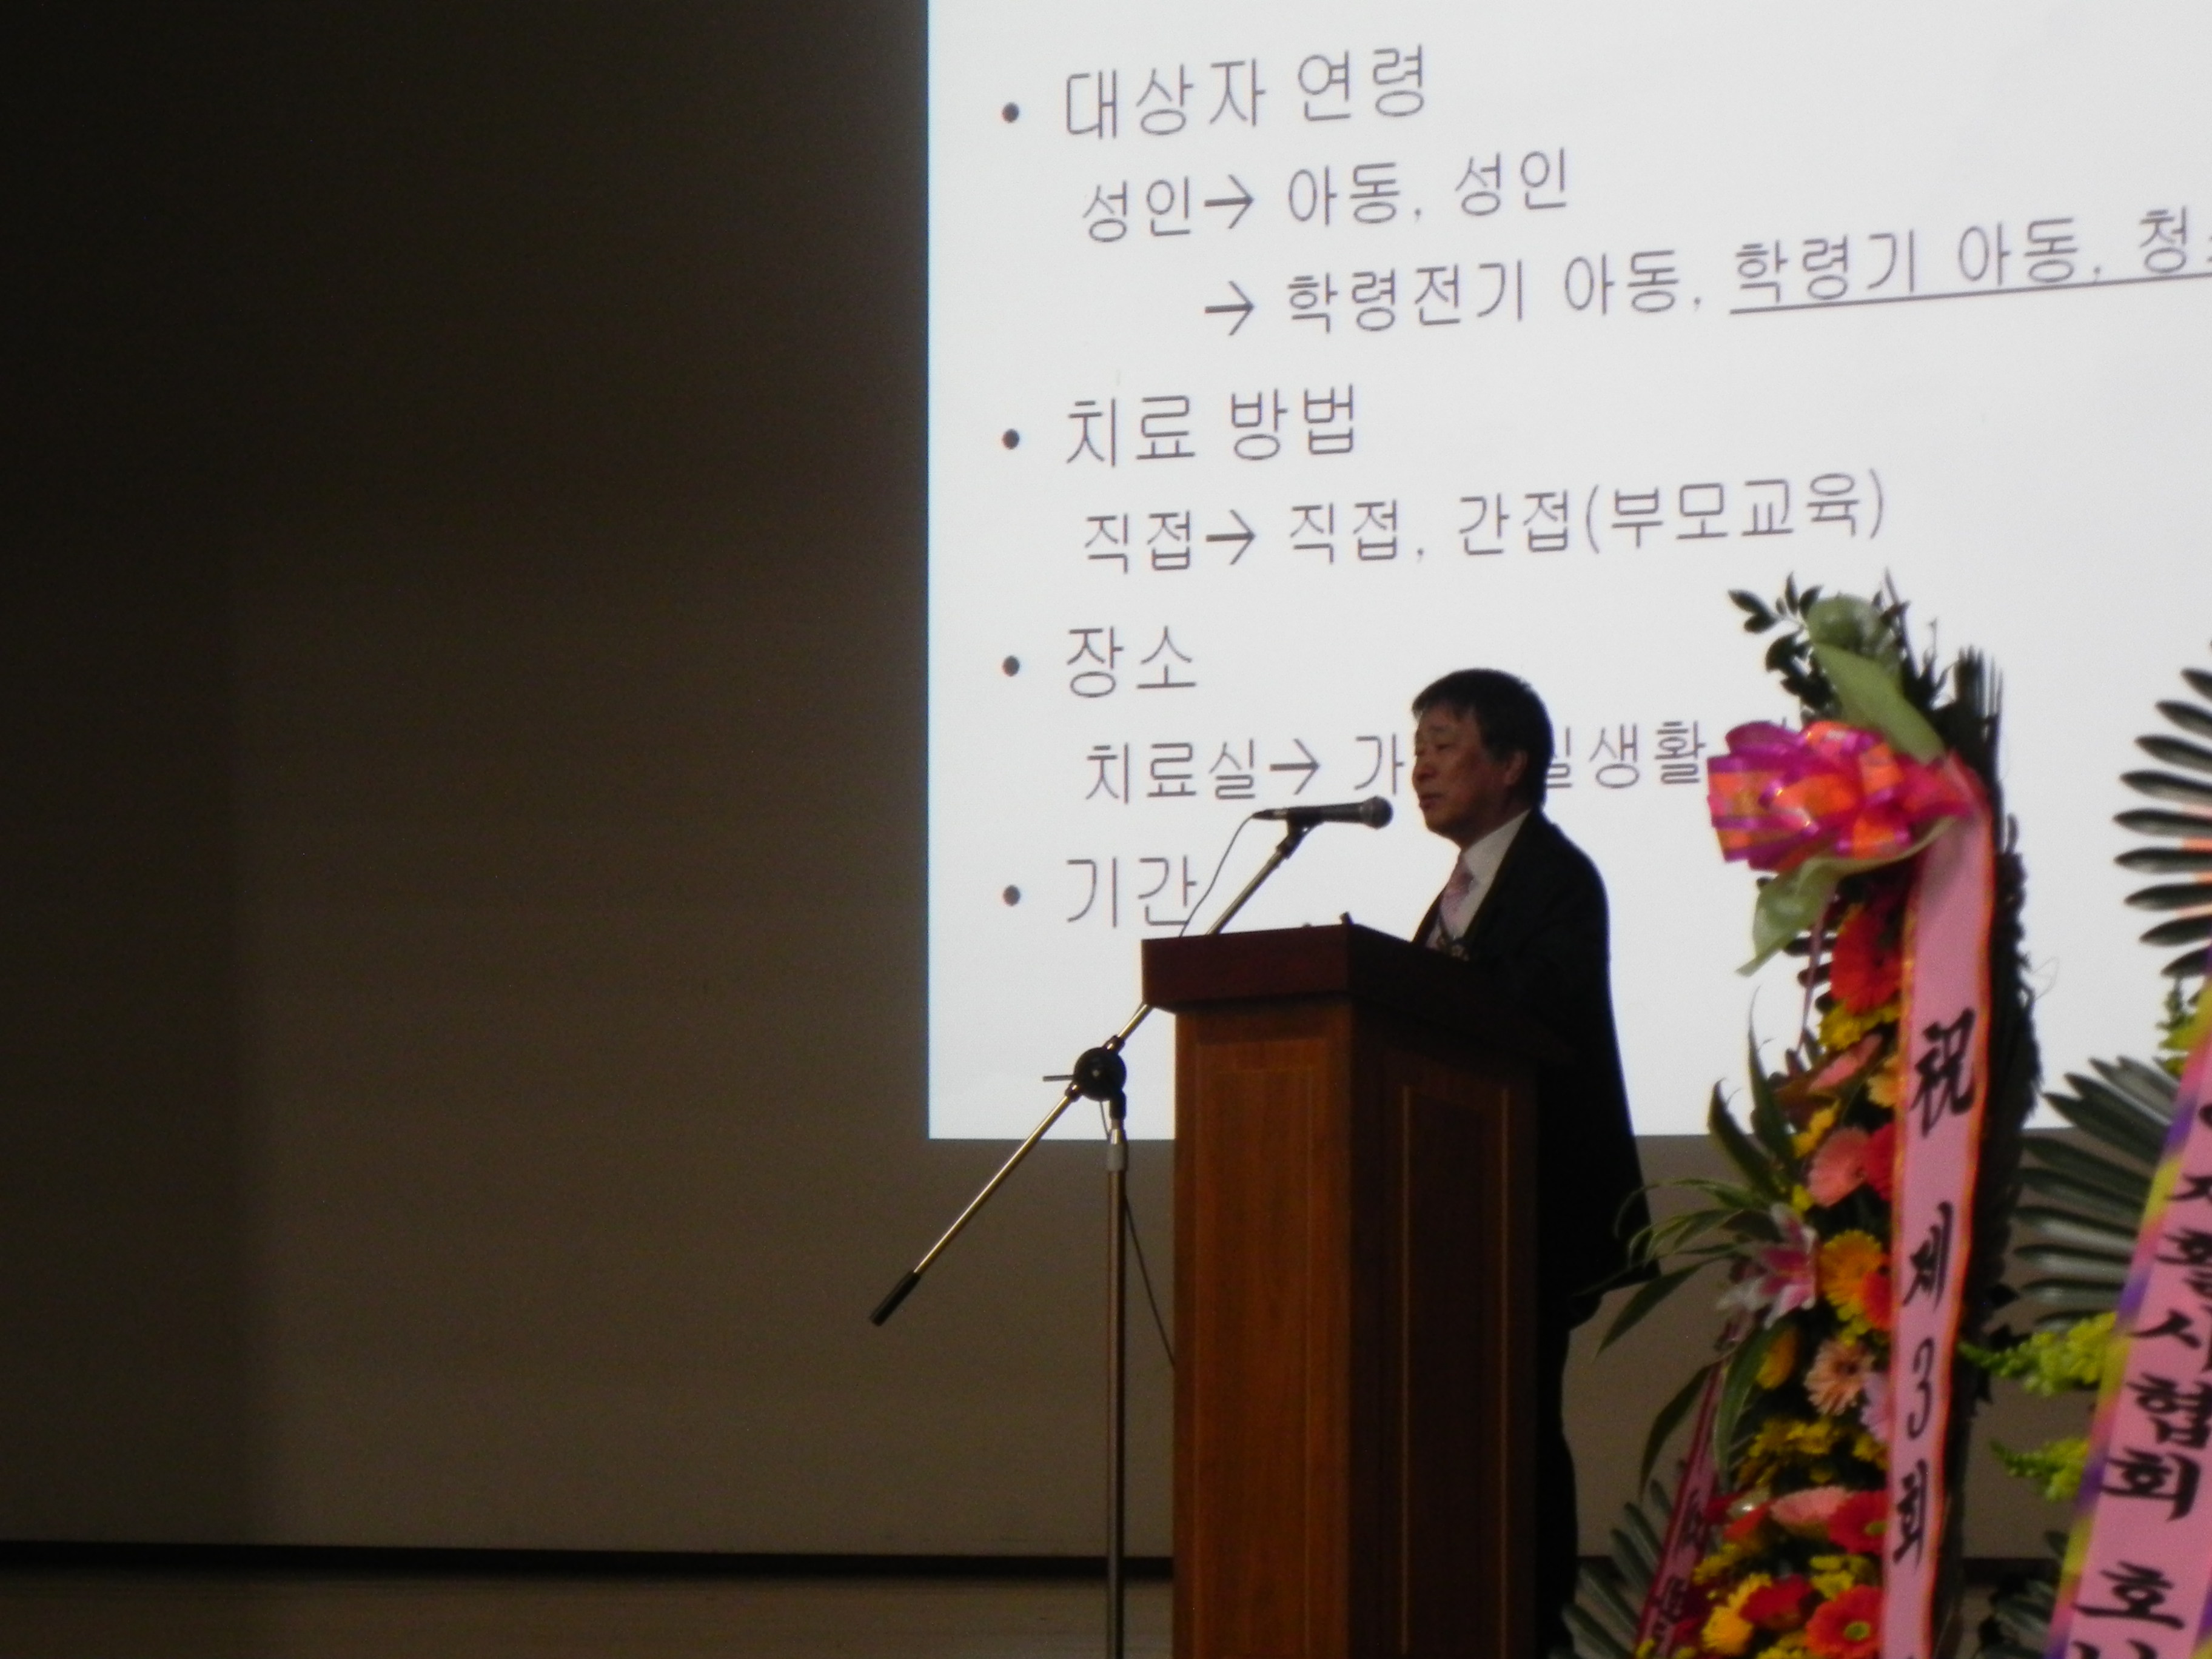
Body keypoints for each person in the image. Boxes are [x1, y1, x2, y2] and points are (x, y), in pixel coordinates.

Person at [1407, 668, 1651, 1657]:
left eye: (1444, 745)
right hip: (1452, 1213)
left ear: (1511, 764)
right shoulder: (1458, 891)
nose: (1421, 768)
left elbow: (1538, 1009)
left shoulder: (1557, 875)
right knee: (1460, 1430)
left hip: (1529, 1205)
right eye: (1417, 748)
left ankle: (1533, 1627)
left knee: (1516, 1427)